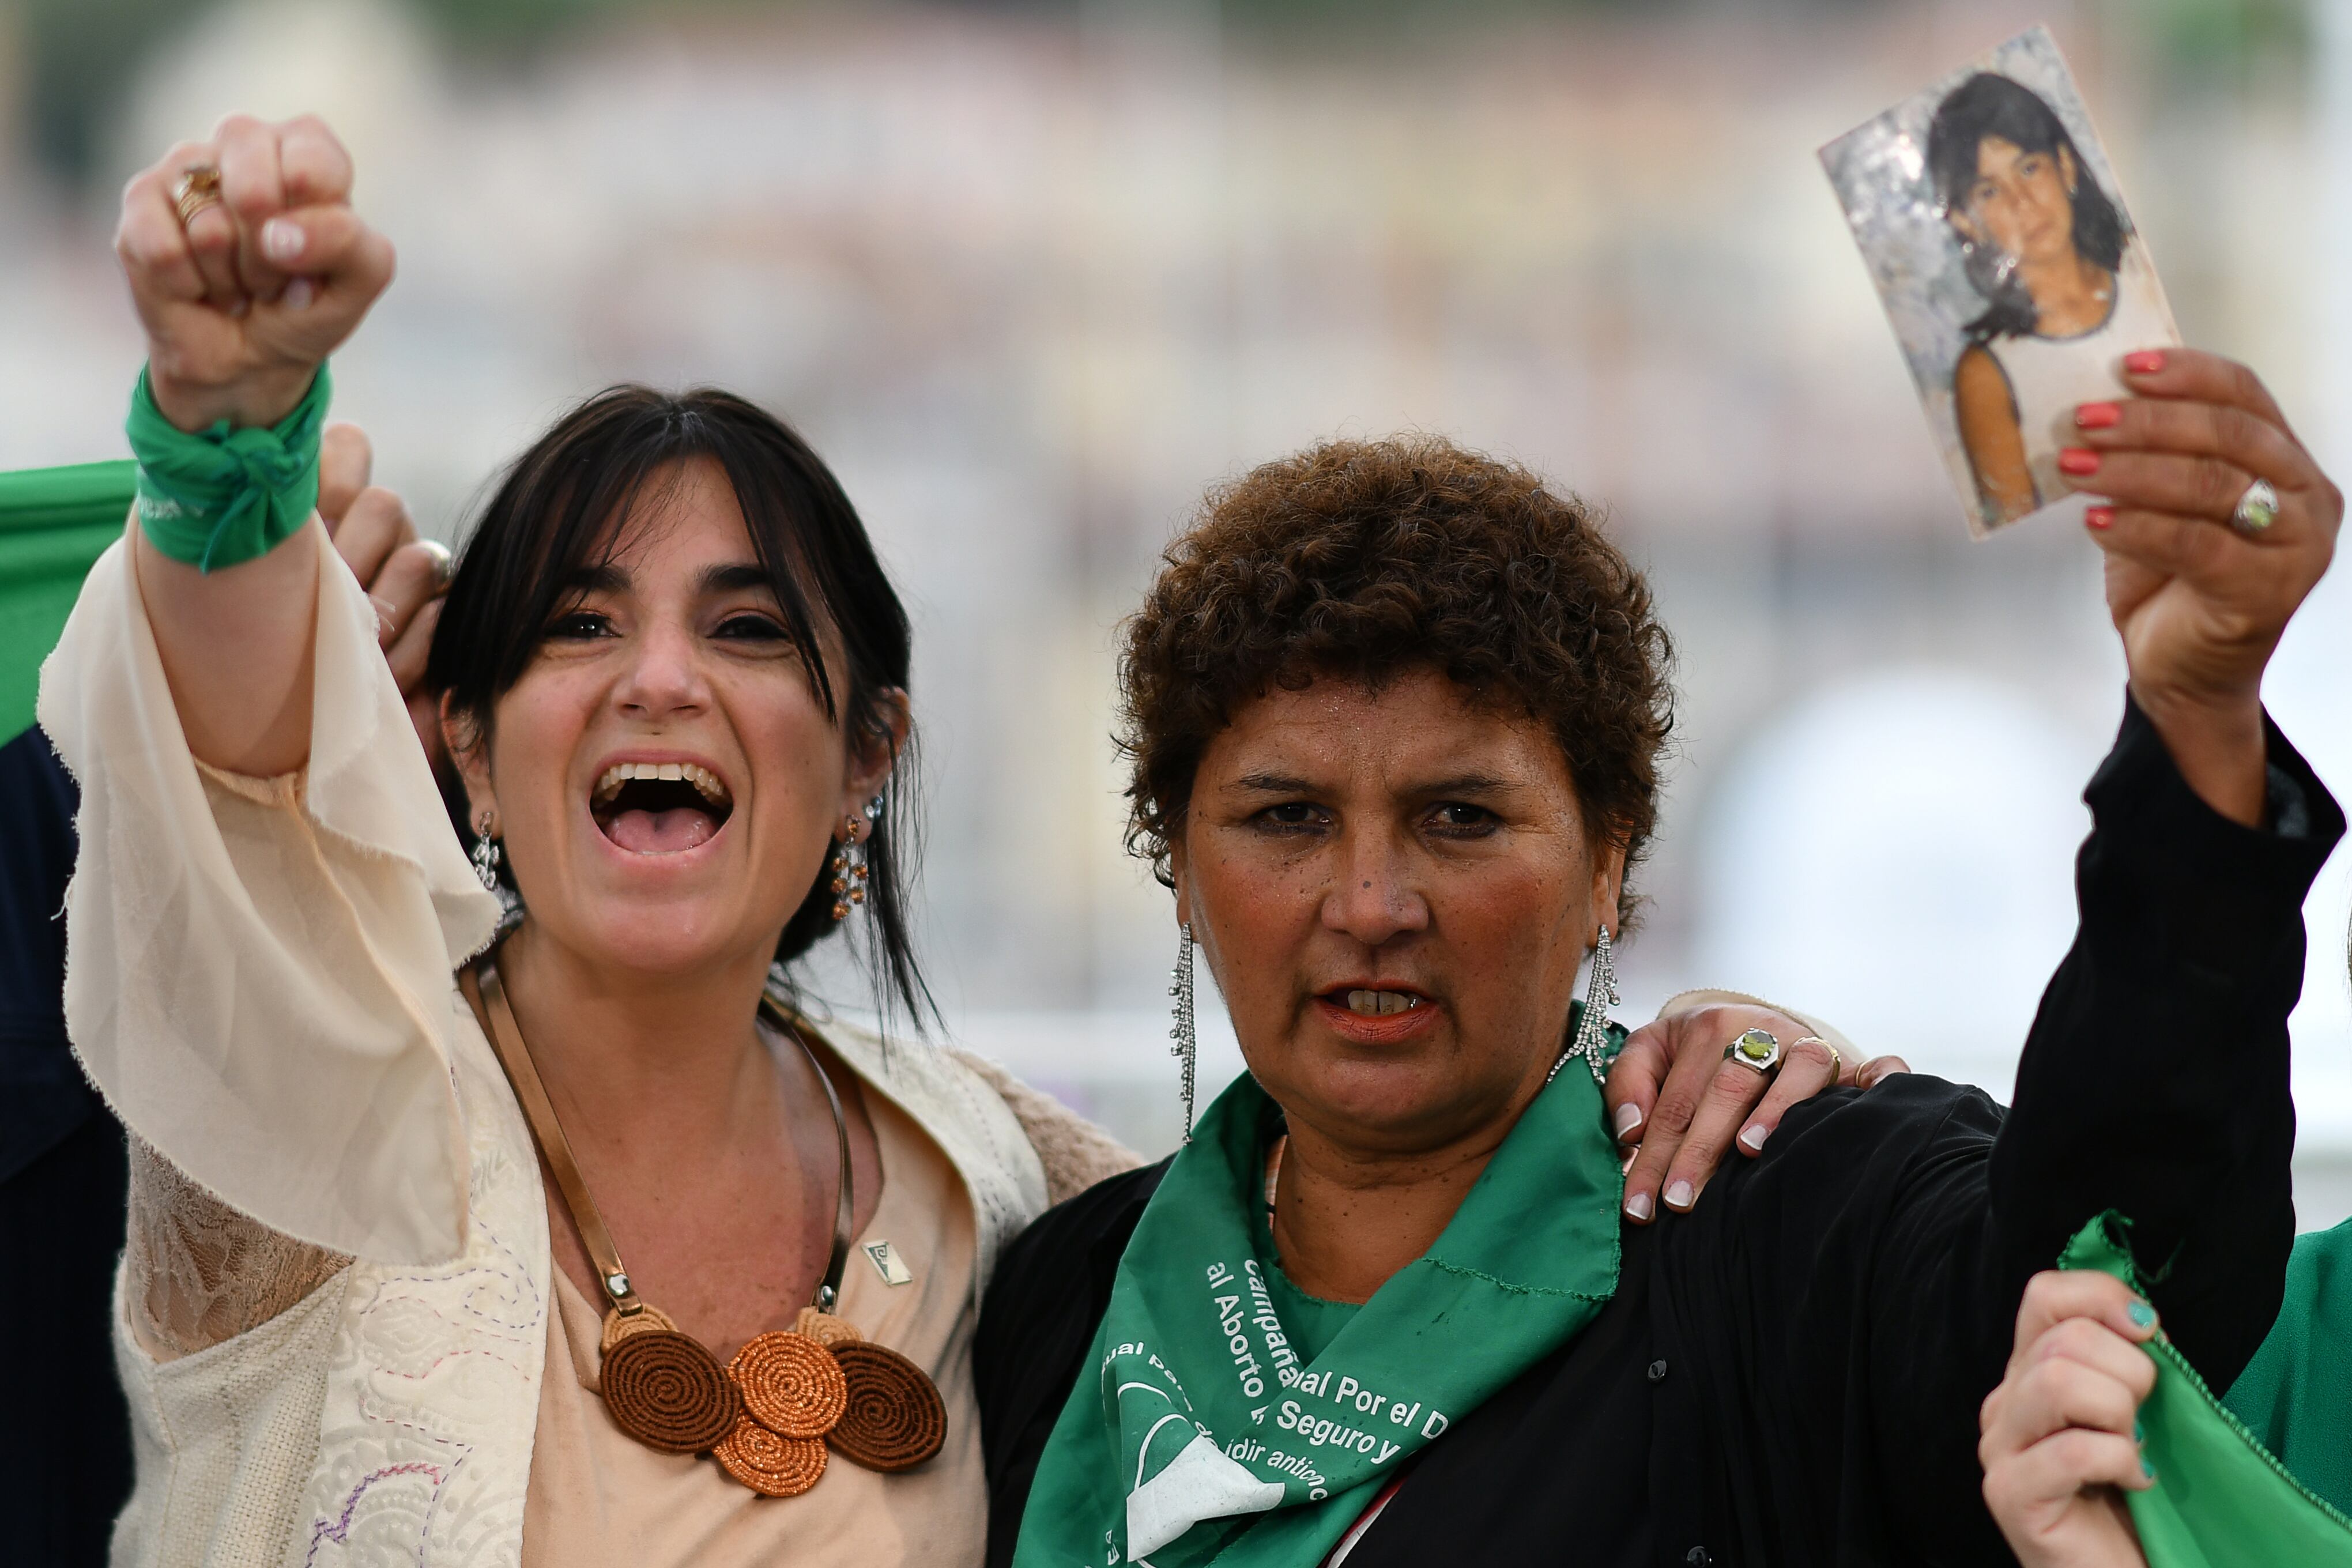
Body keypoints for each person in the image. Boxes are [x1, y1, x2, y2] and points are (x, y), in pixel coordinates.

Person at [55, 114, 1831, 1564]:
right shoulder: (312, 1098)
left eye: (749, 632)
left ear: (866, 760)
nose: (660, 680)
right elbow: (218, 811)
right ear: (459, 733)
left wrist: (1728, 1058)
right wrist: (227, 442)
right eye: (582, 629)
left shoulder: (1006, 1191)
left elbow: (1370, 1196)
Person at [975, 352, 2342, 1565]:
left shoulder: (1792, 1208)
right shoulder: (1067, 1291)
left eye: (1460, 816)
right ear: (1177, 869)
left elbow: (2100, 1273)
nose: (1371, 900)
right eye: (1285, 818)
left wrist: (2193, 729)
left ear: (1608, 860)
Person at [1928, 72, 2175, 525]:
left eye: (2028, 169)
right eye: (1989, 191)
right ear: (1966, 222)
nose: (2022, 202)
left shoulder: (2149, 284)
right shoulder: (1986, 375)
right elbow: (2019, 541)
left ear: (2064, 166)